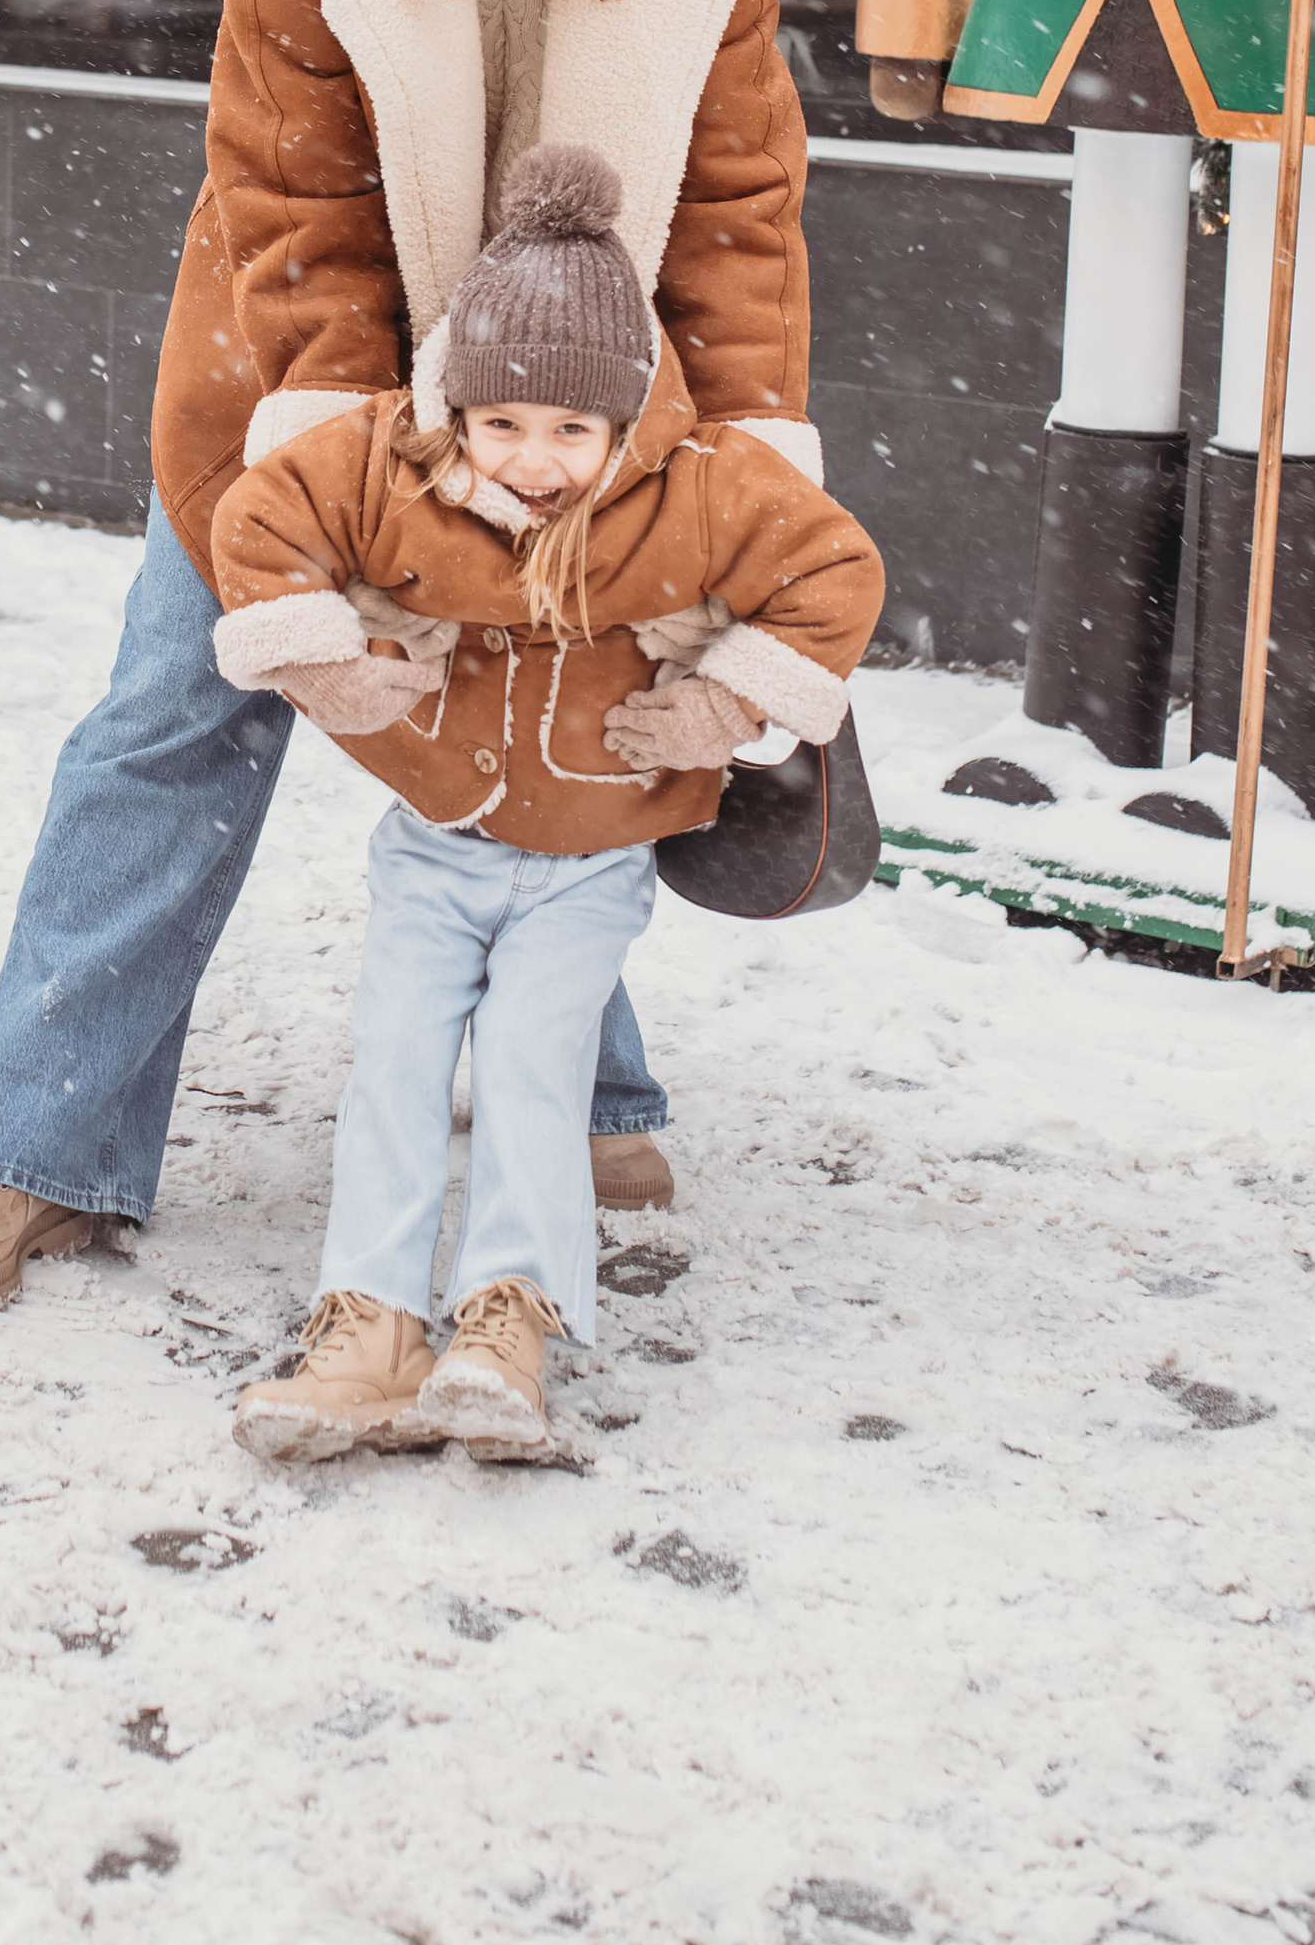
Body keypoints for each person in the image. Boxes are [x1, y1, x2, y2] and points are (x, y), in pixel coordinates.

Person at [0, 0, 827, 1322]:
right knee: (177, 719)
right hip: (291, 383)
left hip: (584, 403)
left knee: (563, 703)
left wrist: (739, 463)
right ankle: (36, 1149)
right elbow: (289, 196)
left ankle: (588, 1090)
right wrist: (366, 463)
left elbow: (739, 206)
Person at [212, 145, 883, 1464]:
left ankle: (506, 1316)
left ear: (627, 418)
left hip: (593, 856)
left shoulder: (693, 493)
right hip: (435, 841)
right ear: (457, 406)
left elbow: (833, 568)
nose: (536, 460)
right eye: (504, 423)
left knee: (528, 1062)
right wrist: (326, 664)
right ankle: (368, 1320)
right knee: (395, 1061)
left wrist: (719, 702)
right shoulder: (389, 466)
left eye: (574, 430)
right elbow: (261, 520)